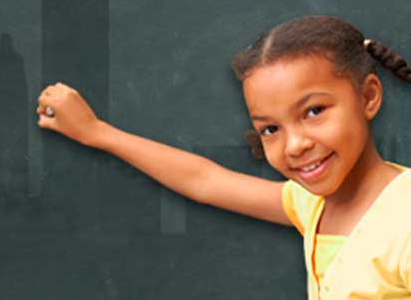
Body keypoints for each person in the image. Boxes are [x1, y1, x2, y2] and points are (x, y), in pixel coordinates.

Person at [36, 15, 411, 299]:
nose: (294, 145)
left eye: (314, 111)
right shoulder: (312, 204)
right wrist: (97, 132)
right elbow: (205, 180)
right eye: (270, 129)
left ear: (368, 96)